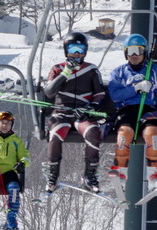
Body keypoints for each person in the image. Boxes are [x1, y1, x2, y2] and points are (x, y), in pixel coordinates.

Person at [44, 32, 113, 194]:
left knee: (93, 131)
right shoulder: (57, 69)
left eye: (81, 50)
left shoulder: (91, 69)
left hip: (83, 113)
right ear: (66, 50)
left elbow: (99, 93)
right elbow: (49, 92)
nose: (77, 54)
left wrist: (92, 107)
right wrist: (65, 73)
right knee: (55, 132)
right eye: (73, 49)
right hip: (62, 112)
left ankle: (89, 175)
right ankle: (52, 175)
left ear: (86, 51)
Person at [108, 34, 157, 182]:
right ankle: (120, 170)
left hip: (148, 109)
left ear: (145, 52)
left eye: (138, 51)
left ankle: (154, 172)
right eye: (130, 51)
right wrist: (136, 88)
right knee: (125, 133)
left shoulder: (153, 71)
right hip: (126, 110)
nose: (134, 55)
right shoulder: (118, 72)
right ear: (125, 53)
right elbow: (115, 95)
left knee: (152, 133)